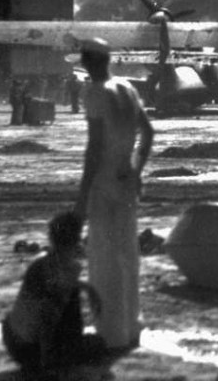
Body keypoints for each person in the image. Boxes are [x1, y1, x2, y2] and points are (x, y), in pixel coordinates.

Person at [74, 37, 154, 353]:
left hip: (104, 181)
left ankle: (110, 333)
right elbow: (148, 133)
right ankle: (131, 327)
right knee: (127, 254)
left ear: (89, 61)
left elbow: (94, 149)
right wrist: (136, 170)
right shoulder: (127, 89)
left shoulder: (94, 92)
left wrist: (81, 196)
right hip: (125, 179)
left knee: (105, 258)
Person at [2, 210, 106, 376]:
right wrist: (48, 364)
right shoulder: (65, 271)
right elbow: (47, 318)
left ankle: (56, 355)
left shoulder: (40, 263)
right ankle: (56, 358)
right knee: (97, 345)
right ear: (76, 240)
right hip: (33, 351)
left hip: (14, 341)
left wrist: (86, 287)